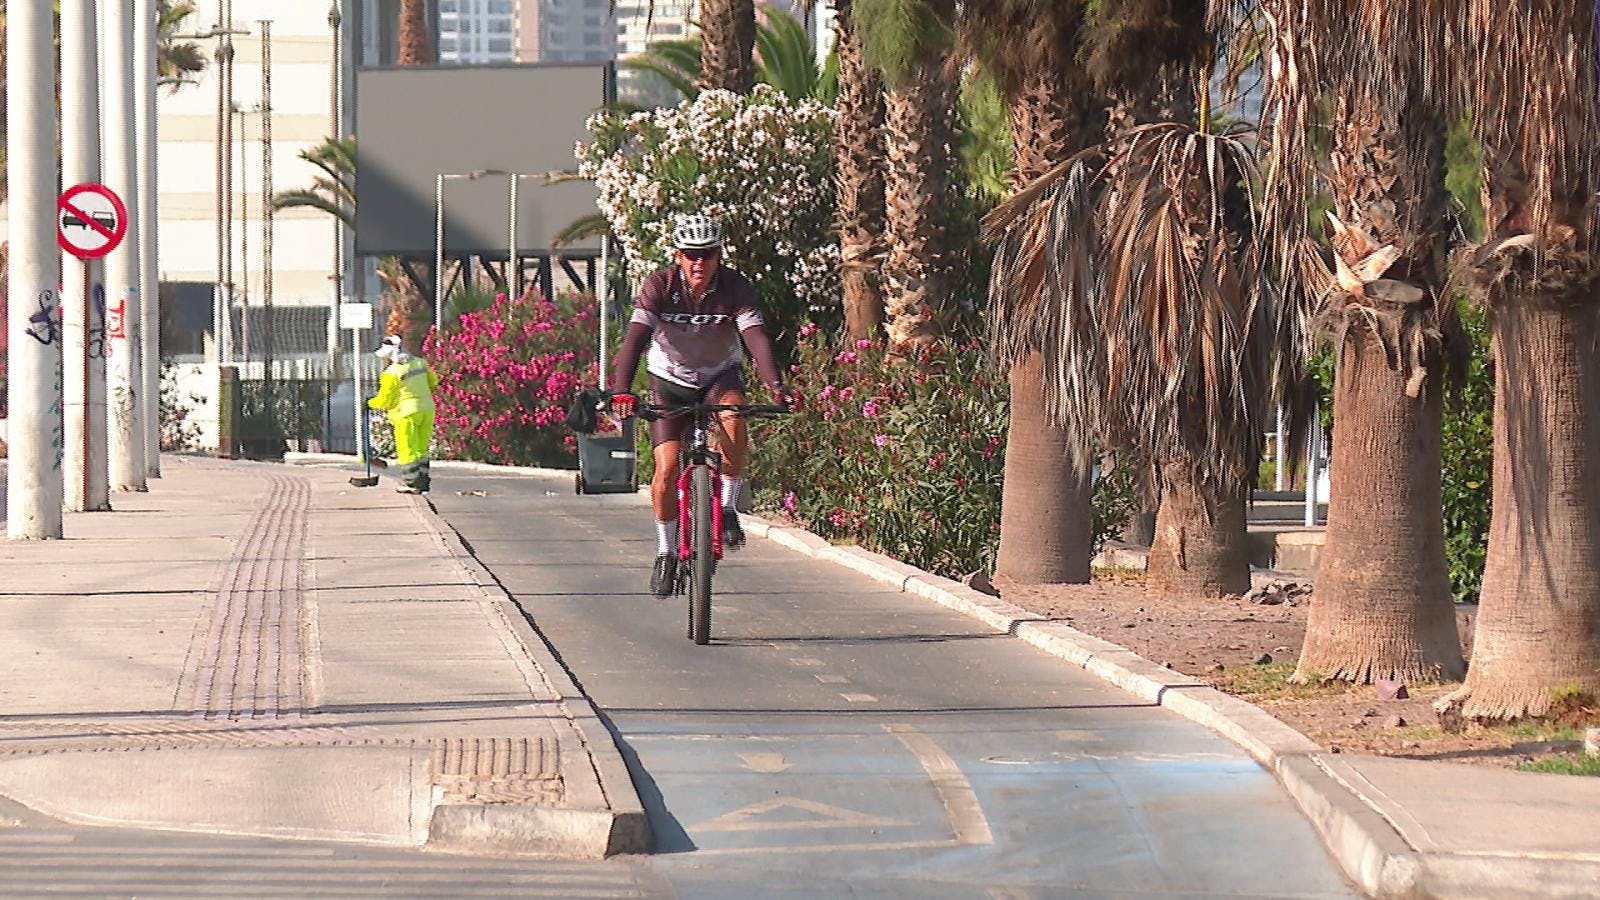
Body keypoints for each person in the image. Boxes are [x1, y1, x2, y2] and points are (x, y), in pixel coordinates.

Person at [609, 214, 797, 598]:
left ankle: (727, 508)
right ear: (678, 256)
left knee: (734, 414)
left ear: (718, 257)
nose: (699, 264)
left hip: (718, 376)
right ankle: (665, 551)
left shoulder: (735, 287)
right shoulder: (658, 286)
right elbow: (634, 340)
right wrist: (622, 391)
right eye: (691, 255)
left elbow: (755, 337)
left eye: (707, 255)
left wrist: (776, 385)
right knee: (664, 471)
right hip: (669, 381)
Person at [369, 334, 440, 494]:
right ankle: (423, 480)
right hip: (427, 409)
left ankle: (411, 483)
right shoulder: (420, 364)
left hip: (405, 413)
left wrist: (369, 403)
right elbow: (433, 382)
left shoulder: (391, 373)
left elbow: (384, 400)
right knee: (421, 448)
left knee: (407, 448)